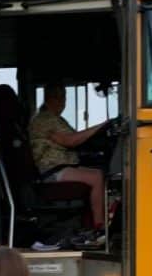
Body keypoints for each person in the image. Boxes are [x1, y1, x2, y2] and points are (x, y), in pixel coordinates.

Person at [29, 82, 109, 242]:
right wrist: (101, 126)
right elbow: (70, 140)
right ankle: (99, 228)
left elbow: (78, 139)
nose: (62, 101)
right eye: (58, 97)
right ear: (49, 98)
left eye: (63, 97)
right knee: (97, 177)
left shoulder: (56, 119)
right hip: (52, 170)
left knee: (97, 171)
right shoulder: (45, 119)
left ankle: (90, 226)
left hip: (61, 166)